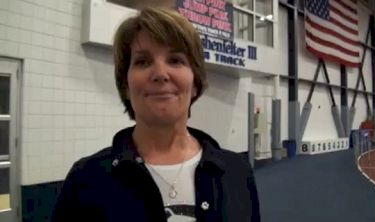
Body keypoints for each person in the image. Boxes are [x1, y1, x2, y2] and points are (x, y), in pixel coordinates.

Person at [52, 7, 260, 222]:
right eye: (143, 62)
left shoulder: (237, 173)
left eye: (175, 60)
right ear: (125, 85)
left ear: (195, 83)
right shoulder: (86, 180)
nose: (160, 74)